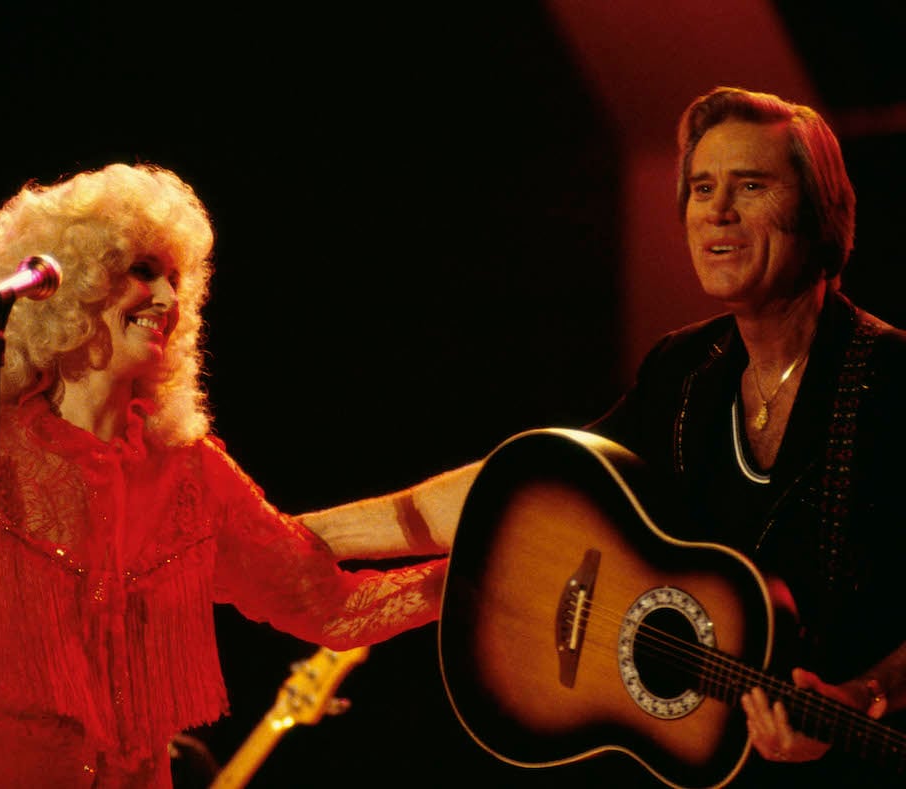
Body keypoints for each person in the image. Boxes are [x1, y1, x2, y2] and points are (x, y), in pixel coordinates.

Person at [304, 87, 905, 786]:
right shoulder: (684, 373)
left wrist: (864, 695)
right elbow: (520, 490)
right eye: (702, 187)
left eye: (751, 185)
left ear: (818, 208)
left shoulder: (891, 380)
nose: (717, 210)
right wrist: (302, 537)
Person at [0, 162, 450, 788]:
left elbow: (329, 609)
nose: (170, 300)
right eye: (143, 272)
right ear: (72, 287)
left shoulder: (190, 470)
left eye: (178, 280)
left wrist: (471, 579)